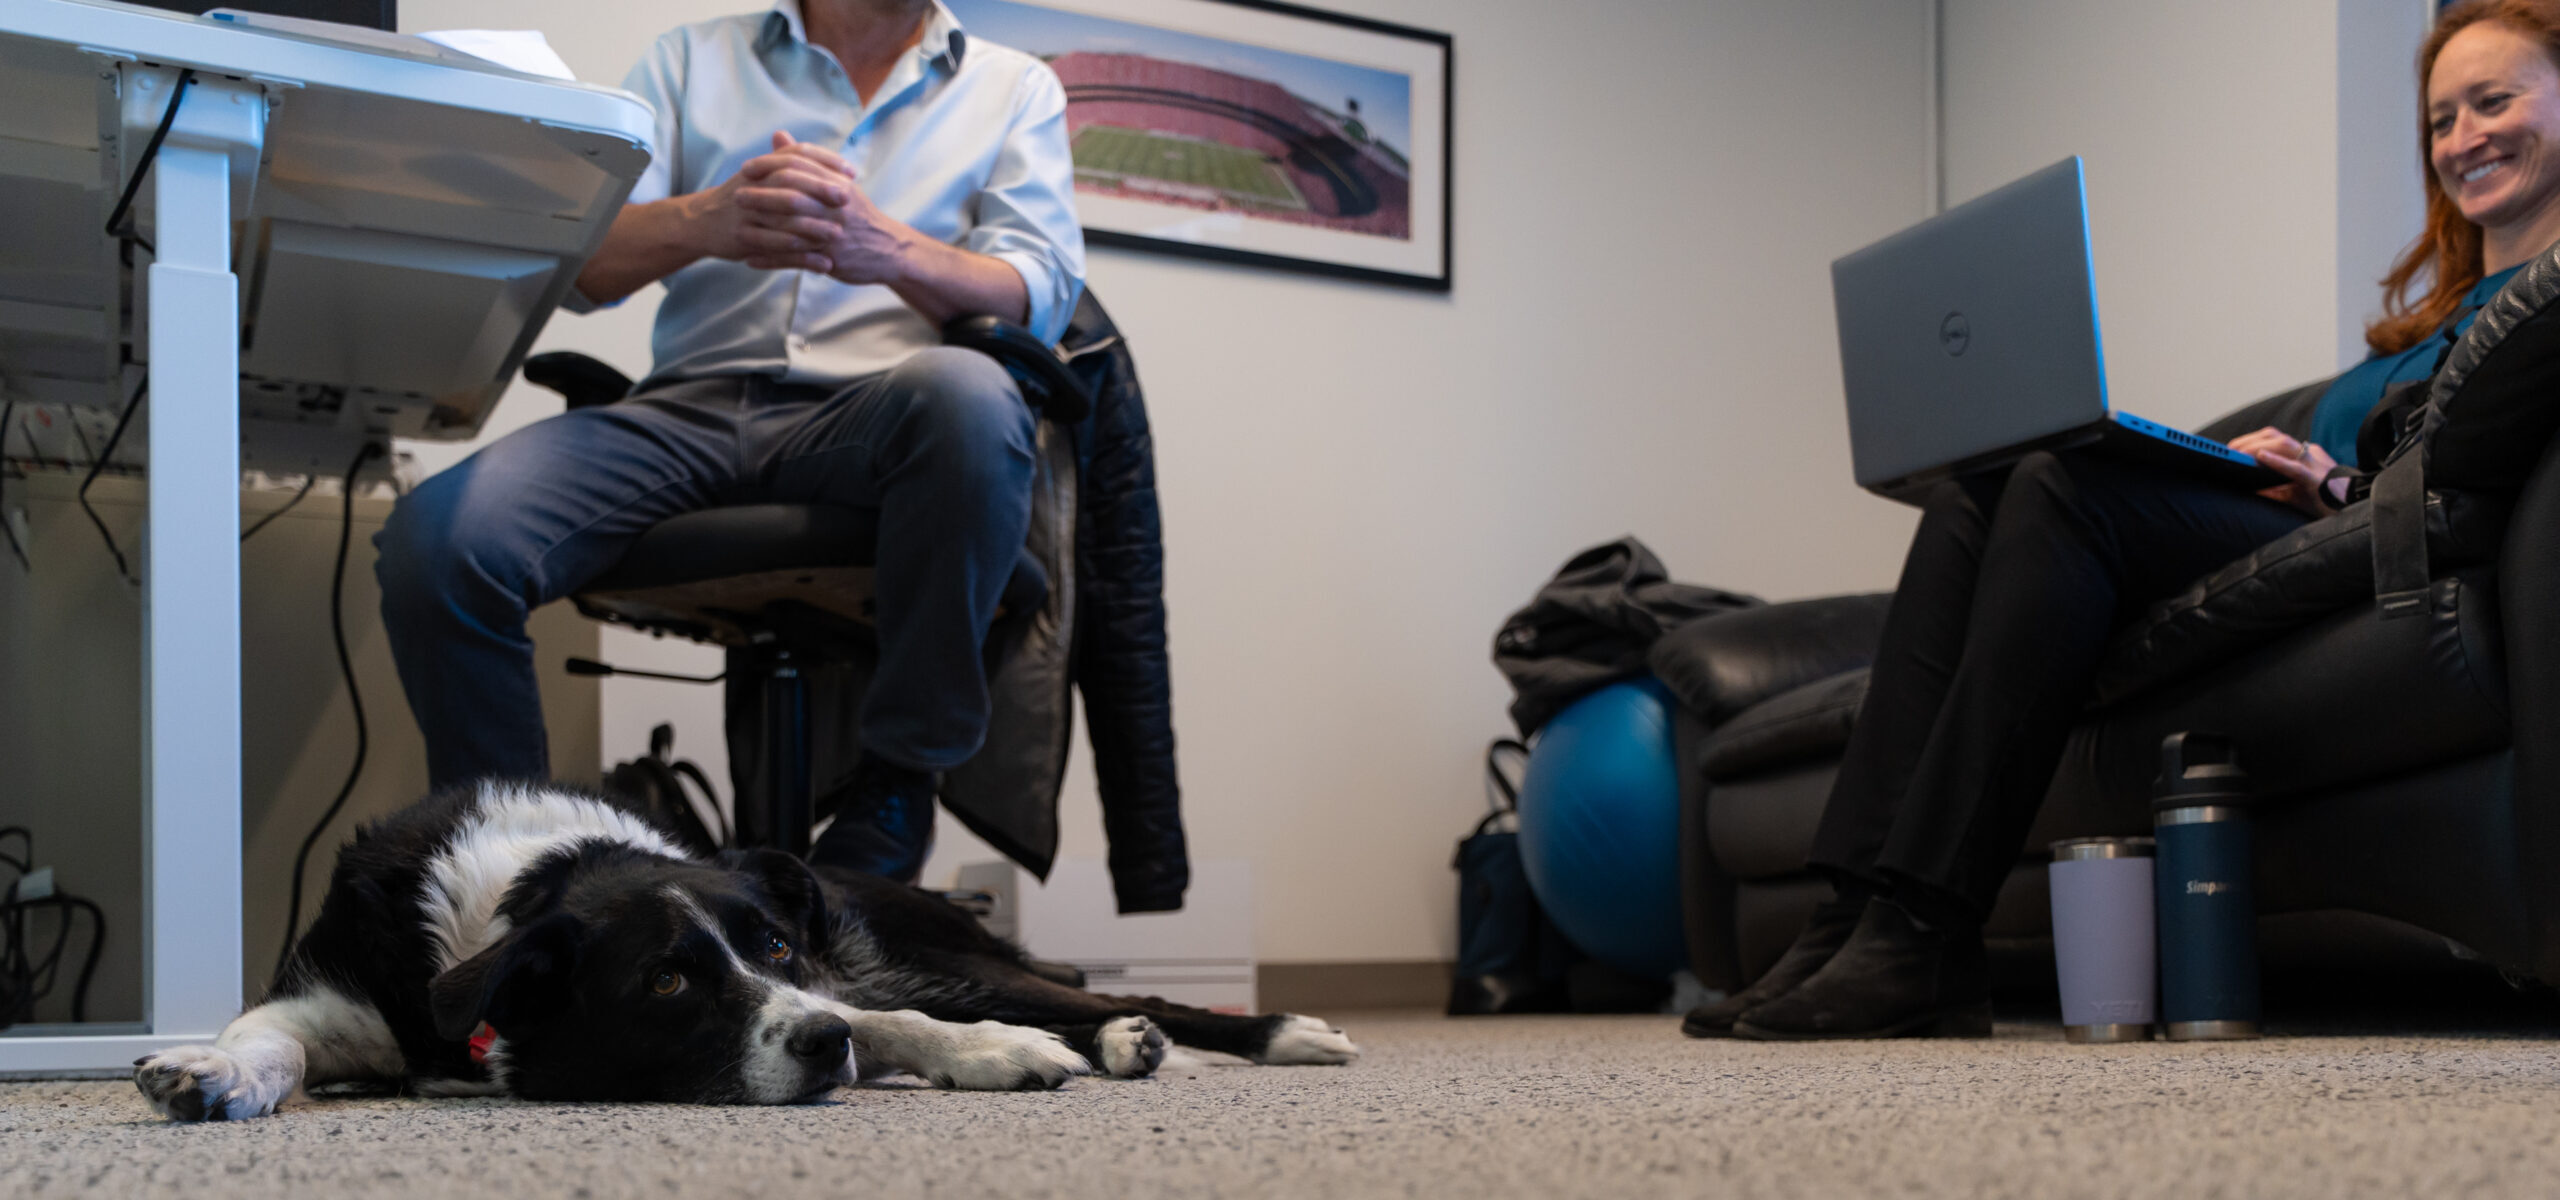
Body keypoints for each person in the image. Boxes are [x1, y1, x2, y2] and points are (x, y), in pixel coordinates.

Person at [1683, 0, 2560, 1040]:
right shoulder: (2425, 320)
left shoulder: (2537, 307)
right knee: (1977, 493)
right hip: (2279, 519)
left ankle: (1925, 926)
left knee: (2055, 487)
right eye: (2439, 120)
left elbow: (2439, 487)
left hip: (2354, 540)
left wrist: (2327, 483)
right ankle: (1851, 914)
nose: (2462, 137)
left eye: (2491, 101)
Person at [373, 0, 1085, 885]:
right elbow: (588, 269)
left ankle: (898, 782)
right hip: (686, 411)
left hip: (882, 417)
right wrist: (706, 220)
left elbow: (1039, 295)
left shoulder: (1014, 86)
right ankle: (524, 871)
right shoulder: (690, 58)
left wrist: (885, 249)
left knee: (973, 389)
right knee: (438, 542)